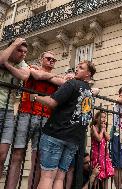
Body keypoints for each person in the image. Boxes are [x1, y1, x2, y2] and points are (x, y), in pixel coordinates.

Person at [30, 60, 96, 189]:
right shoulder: (89, 92)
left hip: (56, 134)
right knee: (60, 177)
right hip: (73, 139)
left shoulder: (72, 84)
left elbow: (52, 102)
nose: (77, 69)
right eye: (77, 67)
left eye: (81, 68)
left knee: (47, 176)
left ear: (88, 74)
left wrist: (36, 97)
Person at [6, 51, 64, 189]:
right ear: (41, 59)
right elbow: (36, 75)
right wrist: (48, 76)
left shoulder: (43, 72)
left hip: (45, 118)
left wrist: (46, 75)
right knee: (17, 155)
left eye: (54, 60)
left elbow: (61, 81)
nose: (51, 61)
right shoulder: (31, 69)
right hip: (26, 114)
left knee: (37, 159)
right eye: (48, 58)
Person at [0, 38, 30, 179]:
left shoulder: (21, 64)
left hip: (8, 111)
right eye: (19, 50)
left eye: (25, 52)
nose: (23, 54)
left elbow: (24, 76)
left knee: (3, 154)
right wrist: (13, 44)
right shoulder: (3, 54)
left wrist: (7, 66)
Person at [90, 111, 114, 189]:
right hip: (97, 155)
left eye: (105, 117)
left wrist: (104, 129)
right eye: (102, 117)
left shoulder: (103, 128)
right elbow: (99, 139)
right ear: (96, 119)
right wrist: (103, 130)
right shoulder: (93, 127)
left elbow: (108, 138)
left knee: (105, 176)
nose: (104, 119)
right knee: (98, 174)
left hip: (104, 155)